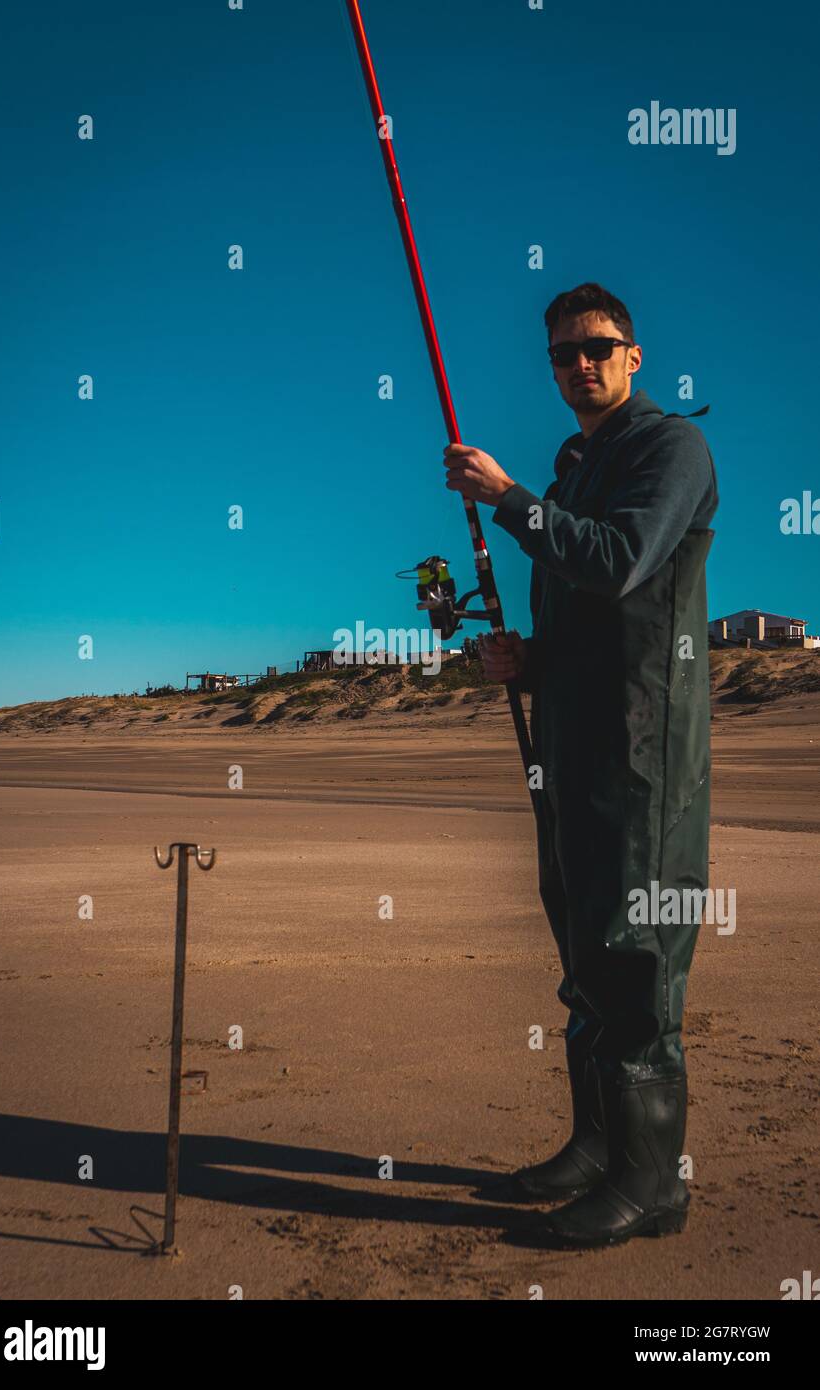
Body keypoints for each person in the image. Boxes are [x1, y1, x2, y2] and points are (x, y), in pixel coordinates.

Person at [443, 282, 718, 1248]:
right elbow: (581, 610)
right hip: (568, 750)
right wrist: (526, 658)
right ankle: (597, 1150)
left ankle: (653, 1186)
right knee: (585, 956)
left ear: (633, 355)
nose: (581, 364)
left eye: (598, 346)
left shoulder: (669, 448)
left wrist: (505, 499)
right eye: (563, 354)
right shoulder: (570, 474)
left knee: (636, 957)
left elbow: (620, 560)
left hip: (645, 758)